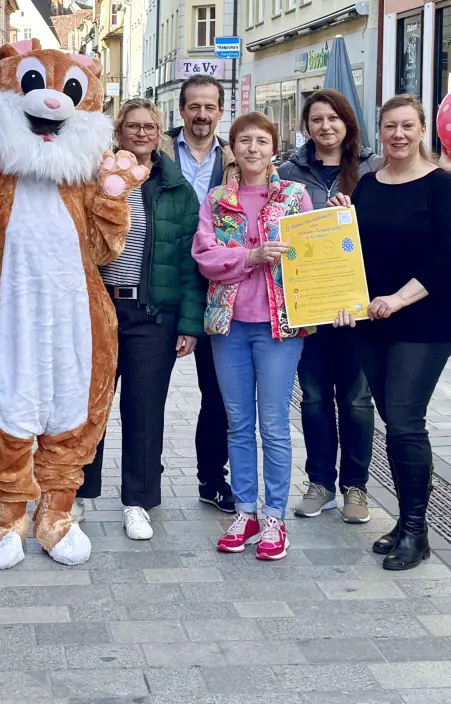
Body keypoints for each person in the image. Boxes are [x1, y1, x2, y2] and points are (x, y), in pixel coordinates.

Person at [329, 96, 451, 571]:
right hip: (371, 322)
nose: (399, 135)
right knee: (394, 422)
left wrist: (399, 299)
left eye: (408, 126)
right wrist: (340, 219)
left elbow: (449, 257)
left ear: (422, 129)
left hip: (422, 321)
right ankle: (409, 521)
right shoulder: (367, 185)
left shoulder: (441, 186)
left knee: (406, 422)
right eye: (390, 127)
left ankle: (415, 530)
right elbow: (353, 253)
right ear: (380, 132)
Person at [76, 100, 202, 539]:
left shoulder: (177, 189)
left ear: (159, 133)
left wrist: (189, 324)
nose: (142, 133)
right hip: (100, 309)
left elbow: (190, 262)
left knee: (144, 410)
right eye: (133, 126)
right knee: (91, 407)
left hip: (152, 316)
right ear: (119, 132)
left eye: (149, 127)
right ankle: (79, 493)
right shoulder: (96, 180)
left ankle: (139, 502)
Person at [192, 112, 313, 560]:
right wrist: (252, 255)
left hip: (279, 326)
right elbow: (205, 255)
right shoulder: (217, 199)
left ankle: (274, 516)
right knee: (239, 423)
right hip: (228, 325)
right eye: (244, 141)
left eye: (262, 141)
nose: (252, 149)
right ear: (234, 148)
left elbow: (311, 253)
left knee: (275, 424)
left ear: (273, 147)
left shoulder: (294, 196)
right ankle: (244, 510)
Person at [279, 89, 379, 524]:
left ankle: (355, 487)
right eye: (316, 119)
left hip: (359, 306)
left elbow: (384, 233)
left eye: (333, 119)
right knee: (315, 397)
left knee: (356, 400)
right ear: (306, 126)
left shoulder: (374, 170)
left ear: (347, 123)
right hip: (310, 305)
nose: (325, 127)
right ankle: (320, 482)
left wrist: (355, 213)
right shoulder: (288, 172)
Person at [172, 74, 236, 513]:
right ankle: (140, 483)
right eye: (194, 106)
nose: (202, 114)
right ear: (181, 111)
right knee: (141, 392)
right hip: (162, 283)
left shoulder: (237, 160)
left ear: (220, 111)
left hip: (218, 290)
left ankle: (213, 479)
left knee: (218, 394)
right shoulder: (155, 153)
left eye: (210, 106)